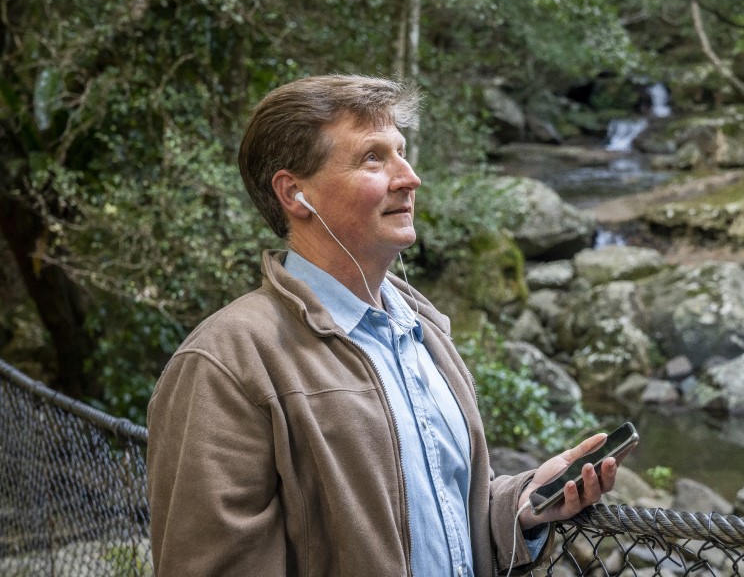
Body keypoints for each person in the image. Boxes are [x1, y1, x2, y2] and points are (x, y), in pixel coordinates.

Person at [146, 74, 624, 576]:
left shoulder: (424, 328)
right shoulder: (226, 362)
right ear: (294, 194)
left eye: (402, 151)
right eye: (374, 157)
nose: (409, 177)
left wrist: (523, 504)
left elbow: (436, 520)